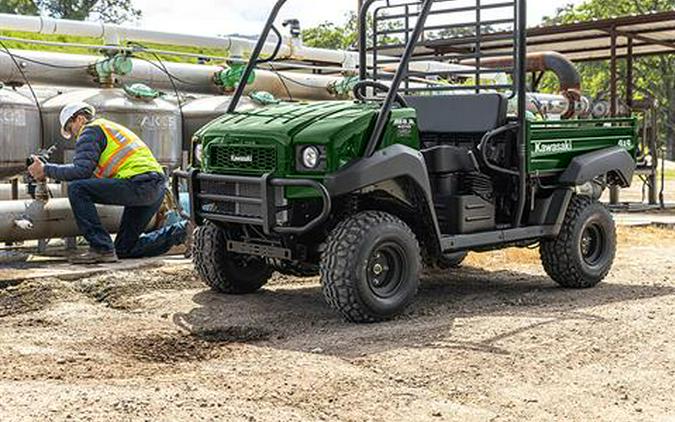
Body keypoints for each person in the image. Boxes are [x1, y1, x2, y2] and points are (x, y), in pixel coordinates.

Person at [28, 102, 189, 264]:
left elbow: (80, 171)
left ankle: (101, 247)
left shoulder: (90, 130)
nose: (74, 135)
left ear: (80, 119)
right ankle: (183, 231)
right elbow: (95, 175)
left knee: (77, 189)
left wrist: (45, 169)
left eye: (71, 128)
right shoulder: (108, 128)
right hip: (155, 186)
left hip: (139, 184)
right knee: (125, 249)